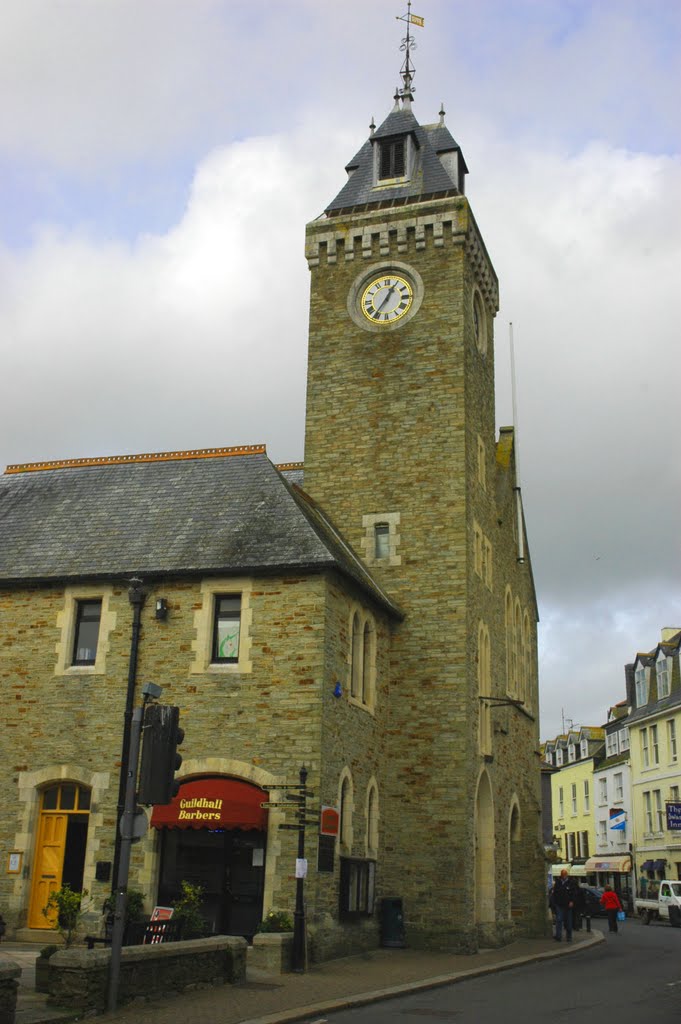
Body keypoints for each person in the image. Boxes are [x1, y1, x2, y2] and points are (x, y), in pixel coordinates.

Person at [551, 869, 577, 941]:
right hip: (559, 904)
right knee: (559, 920)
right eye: (563, 875)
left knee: (568, 921)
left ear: (567, 875)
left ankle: (569, 937)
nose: (564, 876)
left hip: (568, 905)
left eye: (565, 875)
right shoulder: (558, 882)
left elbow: (574, 893)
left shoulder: (571, 883)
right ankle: (558, 936)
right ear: (561, 875)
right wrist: (554, 902)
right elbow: (555, 893)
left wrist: (572, 901)